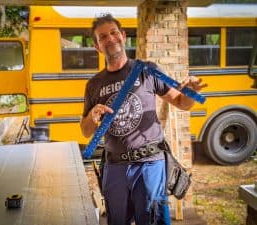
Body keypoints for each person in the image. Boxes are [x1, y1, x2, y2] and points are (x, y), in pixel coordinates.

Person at [80, 14, 207, 225]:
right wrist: (93, 117)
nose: (110, 39)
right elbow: (85, 131)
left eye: (113, 33)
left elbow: (181, 103)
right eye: (103, 37)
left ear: (123, 36)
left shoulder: (147, 70)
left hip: (150, 165)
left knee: (153, 219)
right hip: (115, 168)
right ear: (97, 46)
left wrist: (191, 93)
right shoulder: (93, 84)